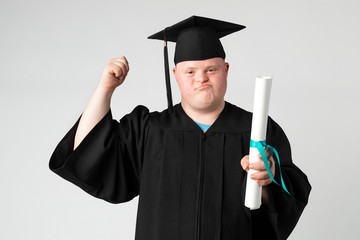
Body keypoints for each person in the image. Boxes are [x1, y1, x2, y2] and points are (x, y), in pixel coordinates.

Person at [49, 16, 311, 240]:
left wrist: (268, 178)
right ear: (175, 75)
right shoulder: (149, 129)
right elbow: (87, 154)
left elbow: (287, 201)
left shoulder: (259, 129)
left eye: (211, 69)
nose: (201, 78)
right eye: (190, 72)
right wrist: (104, 89)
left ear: (226, 70)